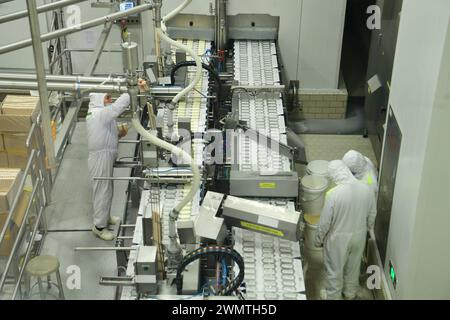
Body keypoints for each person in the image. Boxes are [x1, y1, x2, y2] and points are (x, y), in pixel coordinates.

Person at [87, 81, 146, 241]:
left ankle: (105, 217)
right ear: (99, 99)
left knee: (108, 188)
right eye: (107, 98)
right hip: (100, 157)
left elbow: (105, 134)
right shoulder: (98, 113)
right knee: (102, 190)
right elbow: (116, 108)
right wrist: (132, 91)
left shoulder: (100, 114)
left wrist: (118, 134)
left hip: (105, 154)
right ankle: (99, 227)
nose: (109, 100)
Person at [315, 160, 377, 300]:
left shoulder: (334, 194)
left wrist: (318, 240)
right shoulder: (366, 189)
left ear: (335, 175)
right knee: (353, 267)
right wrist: (366, 228)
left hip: (338, 238)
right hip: (359, 235)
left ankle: (333, 296)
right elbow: (372, 214)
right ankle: (350, 293)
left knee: (334, 271)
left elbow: (324, 223)